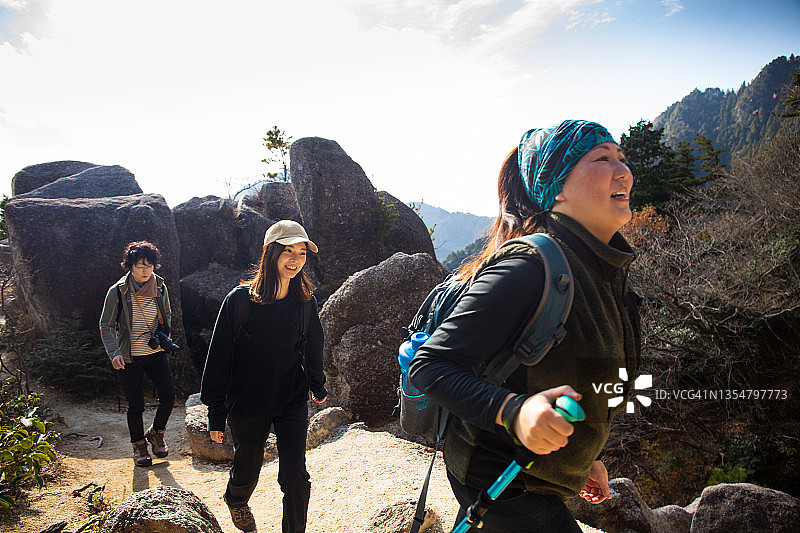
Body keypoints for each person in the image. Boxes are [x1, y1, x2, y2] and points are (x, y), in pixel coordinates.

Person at [409, 119, 642, 532]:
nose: (623, 170)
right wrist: (515, 412)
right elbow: (430, 366)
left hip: (536, 476)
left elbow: (564, 373)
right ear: (558, 188)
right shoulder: (530, 267)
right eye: (601, 159)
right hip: (500, 480)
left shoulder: (605, 270)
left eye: (621, 158)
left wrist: (583, 459)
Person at [201, 219, 328, 533]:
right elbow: (217, 359)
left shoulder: (305, 303)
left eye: (301, 252)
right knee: (247, 471)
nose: (295, 259)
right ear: (269, 253)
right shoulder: (239, 302)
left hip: (290, 398)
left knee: (295, 476)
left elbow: (313, 345)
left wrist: (317, 383)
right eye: (287, 250)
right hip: (247, 401)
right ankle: (236, 498)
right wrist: (215, 413)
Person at [99, 241, 176, 467]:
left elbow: (167, 315)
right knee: (136, 405)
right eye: (140, 266)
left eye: (149, 265)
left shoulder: (160, 287)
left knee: (169, 397)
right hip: (129, 356)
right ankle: (139, 446)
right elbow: (106, 325)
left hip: (155, 352)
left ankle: (156, 433)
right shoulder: (118, 291)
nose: (145, 271)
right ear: (130, 266)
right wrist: (114, 353)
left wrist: (165, 337)